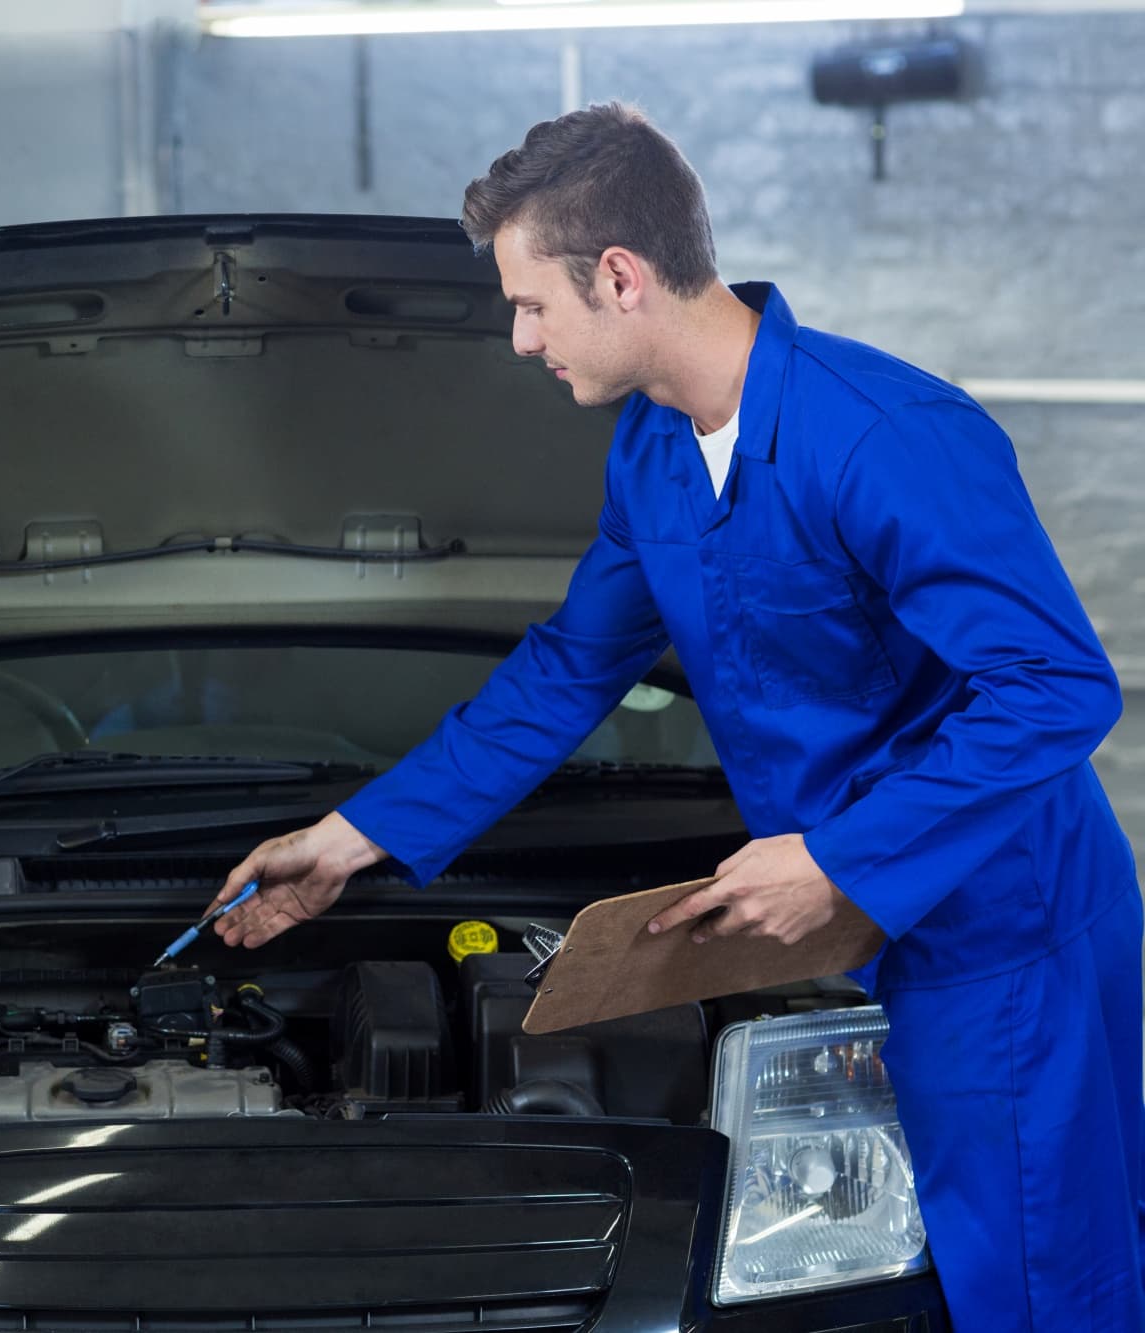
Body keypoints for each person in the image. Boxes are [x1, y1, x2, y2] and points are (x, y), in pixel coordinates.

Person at [208, 104, 1142, 1332]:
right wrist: (344, 841)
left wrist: (833, 855)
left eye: (531, 304)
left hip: (998, 932)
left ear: (619, 276)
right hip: (858, 927)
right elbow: (565, 673)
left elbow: (1057, 687)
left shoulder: (882, 438)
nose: (515, 338)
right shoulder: (652, 454)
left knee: (1029, 1286)